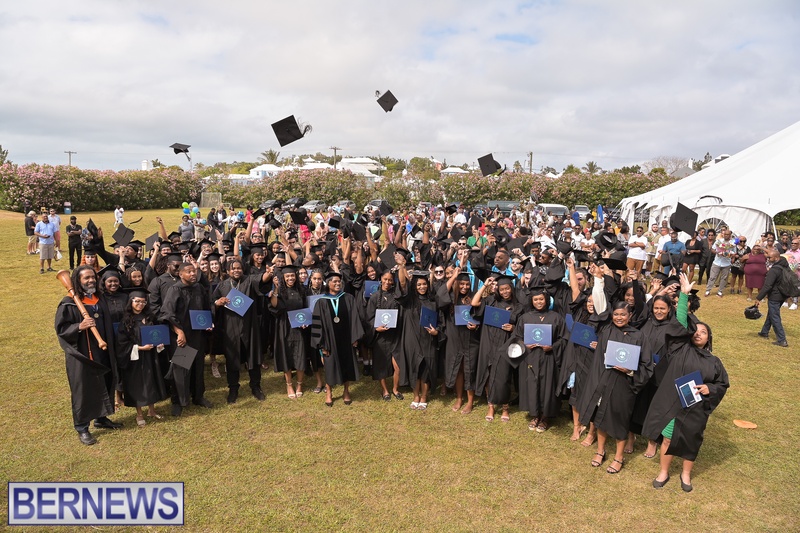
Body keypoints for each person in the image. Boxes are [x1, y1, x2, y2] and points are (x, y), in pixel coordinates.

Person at [645, 273, 729, 492]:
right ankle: (664, 472)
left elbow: (722, 384)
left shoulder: (714, 361)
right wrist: (683, 296)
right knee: (667, 438)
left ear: (709, 338)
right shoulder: (680, 348)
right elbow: (680, 324)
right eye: (696, 331)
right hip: (674, 403)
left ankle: (685, 474)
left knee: (690, 441)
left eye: (704, 332)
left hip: (696, 407)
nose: (699, 334)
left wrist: (709, 388)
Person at [55, 266, 123, 445]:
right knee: (83, 389)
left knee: (105, 381)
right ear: (78, 281)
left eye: (93, 277)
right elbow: (61, 329)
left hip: (103, 349)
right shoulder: (69, 303)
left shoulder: (99, 298)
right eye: (86, 278)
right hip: (82, 353)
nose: (91, 280)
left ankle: (101, 418)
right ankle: (82, 427)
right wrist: (79, 326)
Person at [214, 257, 272, 403]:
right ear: (228, 271)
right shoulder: (222, 285)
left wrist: (268, 273)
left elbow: (262, 279)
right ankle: (233, 389)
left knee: (253, 357)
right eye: (233, 268)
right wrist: (218, 302)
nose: (236, 270)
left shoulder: (249, 280)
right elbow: (213, 302)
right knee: (232, 359)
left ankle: (256, 386)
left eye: (239, 268)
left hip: (249, 326)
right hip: (230, 327)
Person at [160, 262, 214, 415]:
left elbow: (206, 308)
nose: (193, 274)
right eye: (189, 272)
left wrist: (208, 323)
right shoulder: (175, 290)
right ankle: (177, 401)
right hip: (182, 335)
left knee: (198, 366)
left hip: (198, 334)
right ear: (180, 274)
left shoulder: (198, 288)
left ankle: (198, 396)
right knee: (181, 368)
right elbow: (168, 314)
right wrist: (179, 332)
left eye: (194, 271)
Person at [311, 271, 365, 406]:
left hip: (347, 339)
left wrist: (355, 336)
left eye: (339, 281)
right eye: (334, 281)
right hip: (329, 341)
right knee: (330, 366)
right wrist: (322, 345)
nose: (337, 283)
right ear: (328, 283)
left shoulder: (348, 298)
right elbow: (318, 325)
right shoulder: (321, 302)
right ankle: (329, 392)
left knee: (347, 365)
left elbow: (355, 318)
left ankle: (346, 391)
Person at [116, 291, 168, 426]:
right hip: (135, 358)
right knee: (137, 385)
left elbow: (157, 333)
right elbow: (122, 343)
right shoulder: (126, 321)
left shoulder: (150, 317)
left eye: (143, 302)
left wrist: (159, 343)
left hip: (151, 356)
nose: (140, 304)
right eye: (137, 301)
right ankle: (139, 414)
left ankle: (152, 410)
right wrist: (140, 348)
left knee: (151, 381)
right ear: (131, 302)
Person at [755, 249, 791, 347]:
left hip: (775, 296)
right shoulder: (785, 266)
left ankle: (782, 340)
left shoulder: (774, 270)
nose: (768, 259)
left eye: (770, 258)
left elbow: (768, 286)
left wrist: (759, 298)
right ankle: (764, 332)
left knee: (775, 317)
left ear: (776, 258)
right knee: (772, 313)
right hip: (783, 295)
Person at [705, 229, 735, 297]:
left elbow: (734, 252)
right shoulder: (719, 241)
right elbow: (712, 249)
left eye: (728, 234)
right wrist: (717, 252)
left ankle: (720, 291)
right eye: (725, 234)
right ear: (723, 234)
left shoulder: (733, 243)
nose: (726, 235)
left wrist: (730, 255)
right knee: (712, 277)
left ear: (730, 235)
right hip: (717, 262)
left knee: (724, 278)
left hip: (726, 263)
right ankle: (708, 290)